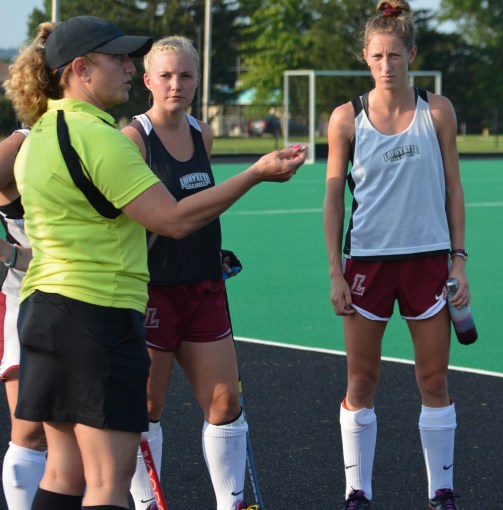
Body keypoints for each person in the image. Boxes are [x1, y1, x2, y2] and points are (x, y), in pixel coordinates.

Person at [4, 15, 304, 510]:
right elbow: (175, 220)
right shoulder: (101, 137)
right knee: (108, 483)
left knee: (64, 472)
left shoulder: (38, 135)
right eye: (118, 58)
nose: (129, 67)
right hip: (97, 314)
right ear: (80, 68)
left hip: (43, 311)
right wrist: (255, 174)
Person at [323, 2, 469, 509]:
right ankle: (356, 489)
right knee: (361, 380)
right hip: (366, 263)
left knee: (433, 379)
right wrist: (335, 271)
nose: (387, 65)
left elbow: (454, 188)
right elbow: (333, 198)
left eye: (396, 55)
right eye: (377, 56)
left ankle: (441, 490)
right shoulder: (346, 118)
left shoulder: (439, 110)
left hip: (428, 261)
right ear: (366, 57)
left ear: (412, 54)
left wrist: (459, 260)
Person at [121, 35, 254, 510]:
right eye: (167, 75)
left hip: (204, 287)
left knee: (225, 404)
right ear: (149, 81)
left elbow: (200, 205)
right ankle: (146, 503)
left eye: (186, 75)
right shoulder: (133, 140)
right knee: (147, 409)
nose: (176, 84)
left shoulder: (202, 133)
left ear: (197, 80)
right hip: (152, 292)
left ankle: (231, 503)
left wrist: (209, 250)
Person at [0, 126, 43, 510]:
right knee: (31, 432)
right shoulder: (24, 140)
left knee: (95, 429)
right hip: (26, 301)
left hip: (89, 298)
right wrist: (12, 256)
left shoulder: (104, 134)